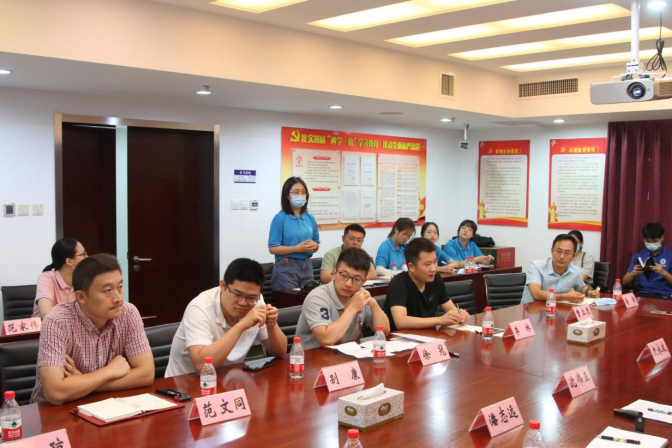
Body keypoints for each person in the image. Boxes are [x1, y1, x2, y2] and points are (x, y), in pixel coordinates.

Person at [30, 254, 154, 405]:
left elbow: (146, 374)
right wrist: (109, 371)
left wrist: (83, 381)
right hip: (55, 412)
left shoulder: (128, 313)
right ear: (81, 297)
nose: (118, 298)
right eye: (107, 290)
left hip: (108, 405)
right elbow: (55, 392)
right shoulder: (57, 321)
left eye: (120, 287)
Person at [165, 258, 287, 377]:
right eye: (237, 294)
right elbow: (202, 366)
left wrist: (272, 325)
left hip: (228, 378)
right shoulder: (199, 308)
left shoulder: (256, 302)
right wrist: (241, 326)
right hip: (185, 382)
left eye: (251, 297)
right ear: (223, 286)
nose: (243, 302)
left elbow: (280, 352)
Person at [297, 248, 390, 349]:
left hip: (347, 355)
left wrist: (374, 305)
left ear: (364, 281)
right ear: (334, 272)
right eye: (344, 275)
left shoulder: (362, 295)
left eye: (357, 279)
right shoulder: (317, 297)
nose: (348, 284)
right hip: (314, 357)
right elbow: (326, 340)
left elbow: (384, 331)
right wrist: (352, 308)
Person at [383, 238, 470, 332]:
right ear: (411, 267)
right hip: (401, 338)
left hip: (429, 335)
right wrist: (439, 320)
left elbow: (451, 310)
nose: (433, 269)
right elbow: (401, 322)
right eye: (427, 264)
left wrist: (459, 315)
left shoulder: (436, 279)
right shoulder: (398, 283)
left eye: (435, 262)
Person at [268, 177, 320, 291]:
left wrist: (315, 246)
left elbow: (316, 243)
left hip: (307, 265)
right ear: (287, 195)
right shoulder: (280, 218)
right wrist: (297, 248)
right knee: (289, 300)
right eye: (296, 192)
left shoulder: (310, 217)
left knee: (308, 299)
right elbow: (273, 248)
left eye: (303, 192)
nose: (300, 195)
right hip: (286, 266)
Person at [521, 234, 600, 305]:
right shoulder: (536, 266)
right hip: (533, 309)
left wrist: (589, 292)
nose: (562, 256)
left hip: (557, 310)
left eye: (567, 253)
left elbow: (581, 287)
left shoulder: (576, 271)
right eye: (559, 251)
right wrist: (565, 297)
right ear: (552, 251)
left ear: (573, 255)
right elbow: (536, 294)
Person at [32, 238, 88, 319]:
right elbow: (46, 313)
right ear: (69, 261)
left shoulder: (83, 280)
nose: (87, 257)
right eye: (83, 254)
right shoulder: (46, 278)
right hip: (44, 326)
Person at [623, 222, 672, 299]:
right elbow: (624, 282)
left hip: (664, 296)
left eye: (654, 241)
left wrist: (663, 272)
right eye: (648, 241)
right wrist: (633, 273)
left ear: (662, 238)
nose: (651, 244)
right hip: (642, 294)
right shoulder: (638, 256)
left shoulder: (670, 256)